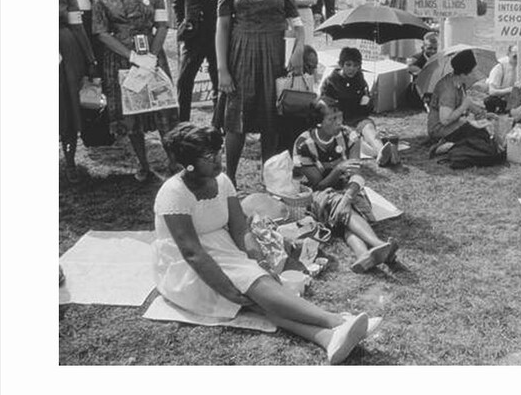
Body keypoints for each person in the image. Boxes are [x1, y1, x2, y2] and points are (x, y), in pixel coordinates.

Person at [153, 123, 377, 365]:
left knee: (258, 290)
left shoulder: (222, 180)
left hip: (221, 249)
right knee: (253, 285)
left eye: (219, 151)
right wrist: (229, 289)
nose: (219, 159)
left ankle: (327, 338)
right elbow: (192, 252)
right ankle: (337, 321)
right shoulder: (173, 193)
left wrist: (259, 260)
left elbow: (240, 229)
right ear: (188, 163)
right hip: (185, 264)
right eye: (210, 156)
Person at [216, 0, 306, 186]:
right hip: (241, 54)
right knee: (236, 120)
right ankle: (228, 180)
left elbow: (298, 25)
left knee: (271, 120)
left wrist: (299, 50)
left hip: (274, 54)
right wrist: (223, 69)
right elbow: (221, 27)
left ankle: (271, 179)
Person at [92, 0, 178, 182]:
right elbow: (101, 32)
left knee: (163, 110)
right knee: (132, 115)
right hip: (121, 62)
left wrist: (150, 56)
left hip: (152, 59)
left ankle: (174, 161)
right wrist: (132, 56)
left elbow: (162, 24)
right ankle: (143, 163)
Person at [293, 100, 400, 273]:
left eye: (340, 116)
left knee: (347, 213)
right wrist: (337, 170)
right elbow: (318, 184)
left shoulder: (349, 136)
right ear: (318, 122)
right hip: (319, 194)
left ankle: (363, 255)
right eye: (332, 118)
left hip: (348, 189)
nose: (338, 122)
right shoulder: (303, 144)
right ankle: (379, 245)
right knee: (340, 207)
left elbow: (356, 174)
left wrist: (347, 198)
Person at [320, 47, 398, 167]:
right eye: (348, 64)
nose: (352, 69)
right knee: (351, 137)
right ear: (341, 64)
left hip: (357, 118)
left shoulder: (360, 80)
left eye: (355, 65)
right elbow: (325, 109)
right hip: (338, 120)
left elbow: (366, 111)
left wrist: (369, 102)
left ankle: (381, 153)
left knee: (368, 128)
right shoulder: (330, 82)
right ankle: (388, 155)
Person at [173, 0, 224, 122]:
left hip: (214, 40)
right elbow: (177, 3)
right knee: (184, 81)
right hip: (192, 39)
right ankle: (183, 123)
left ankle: (217, 125)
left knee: (218, 83)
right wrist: (183, 23)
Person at [426, 48, 499, 161]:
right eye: (473, 71)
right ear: (465, 73)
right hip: (439, 129)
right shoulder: (448, 90)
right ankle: (444, 147)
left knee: (482, 133)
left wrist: (484, 114)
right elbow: (445, 120)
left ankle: (452, 145)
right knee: (480, 136)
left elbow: (467, 103)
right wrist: (464, 106)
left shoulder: (459, 82)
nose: (475, 73)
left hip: (455, 123)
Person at [59, 0, 98, 184]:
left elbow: (77, 26)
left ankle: (70, 161)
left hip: (65, 53)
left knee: (67, 106)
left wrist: (90, 59)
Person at [484, 45, 519, 113]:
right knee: (490, 101)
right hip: (500, 97)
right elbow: (492, 91)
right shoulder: (499, 66)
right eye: (515, 57)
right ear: (508, 54)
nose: (518, 60)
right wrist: (510, 90)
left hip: (514, 98)